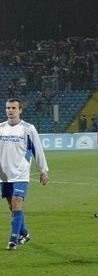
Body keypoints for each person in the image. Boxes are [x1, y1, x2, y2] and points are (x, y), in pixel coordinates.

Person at [1, 98, 49, 251]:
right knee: (12, 206)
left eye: (14, 108)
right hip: (4, 175)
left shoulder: (28, 129)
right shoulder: (1, 128)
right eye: (8, 108)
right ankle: (24, 233)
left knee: (16, 203)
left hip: (21, 173)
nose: (10, 110)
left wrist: (43, 171)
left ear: (20, 110)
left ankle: (13, 240)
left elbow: (38, 150)